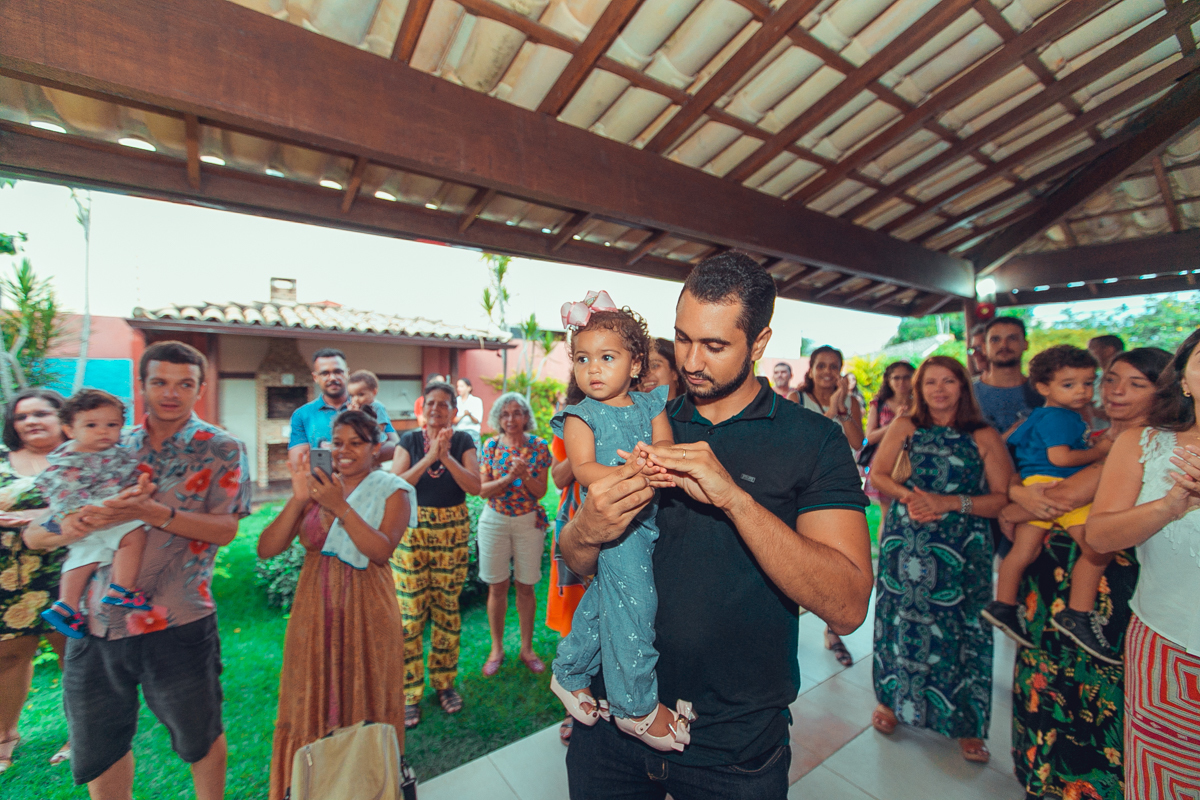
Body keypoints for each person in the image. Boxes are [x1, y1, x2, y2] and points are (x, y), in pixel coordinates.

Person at [559, 253, 873, 798]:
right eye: (682, 339)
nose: (691, 361)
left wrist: (735, 500)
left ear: (758, 343)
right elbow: (578, 562)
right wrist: (586, 528)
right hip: (611, 730)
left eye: (715, 345)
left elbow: (847, 607)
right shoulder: (641, 420)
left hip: (734, 748)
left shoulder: (813, 441)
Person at [22, 340, 250, 798]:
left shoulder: (221, 448)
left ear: (199, 388)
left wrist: (153, 513)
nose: (171, 393)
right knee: (99, 744)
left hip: (177, 618)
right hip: (93, 624)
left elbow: (226, 530)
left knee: (199, 737)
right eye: (159, 382)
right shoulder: (103, 438)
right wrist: (70, 526)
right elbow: (35, 534)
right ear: (142, 386)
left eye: (184, 384)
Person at [1002, 347, 1170, 800]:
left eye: (1137, 384)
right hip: (1049, 580)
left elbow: (1051, 499)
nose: (1116, 390)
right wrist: (1019, 493)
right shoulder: (1086, 430)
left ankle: (1079, 783)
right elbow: (1019, 491)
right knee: (1046, 675)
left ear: (1165, 391)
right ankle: (1044, 778)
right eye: (1111, 379)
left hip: (1106, 592)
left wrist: (1021, 499)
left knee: (1092, 689)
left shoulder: (1147, 444)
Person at [259, 408, 415, 800]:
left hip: (367, 606)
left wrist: (339, 506)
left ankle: (368, 783)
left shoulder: (392, 489)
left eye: (356, 443)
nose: (344, 452)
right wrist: (299, 501)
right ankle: (311, 784)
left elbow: (380, 551)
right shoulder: (315, 487)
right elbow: (267, 548)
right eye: (337, 443)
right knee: (311, 692)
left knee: (365, 692)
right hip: (314, 605)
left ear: (376, 447)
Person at [549, 293, 681, 750]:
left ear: (636, 362)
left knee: (607, 601)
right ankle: (634, 707)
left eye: (607, 357)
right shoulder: (581, 416)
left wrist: (658, 463)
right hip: (614, 524)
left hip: (647, 522)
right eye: (583, 359)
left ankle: (568, 671)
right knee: (637, 609)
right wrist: (632, 473)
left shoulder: (652, 406)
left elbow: (664, 450)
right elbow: (583, 470)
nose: (594, 369)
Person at [867, 356, 1012, 764]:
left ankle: (967, 724)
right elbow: (878, 475)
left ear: (963, 387)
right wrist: (912, 498)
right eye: (930, 382)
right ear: (919, 389)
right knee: (899, 622)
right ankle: (891, 703)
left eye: (949, 381)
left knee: (962, 633)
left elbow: (1002, 497)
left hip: (962, 550)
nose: (939, 389)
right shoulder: (905, 426)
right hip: (906, 542)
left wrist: (949, 502)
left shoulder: (982, 434)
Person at [1086, 328, 1200, 799]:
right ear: (1186, 381)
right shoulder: (1143, 444)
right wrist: (1171, 505)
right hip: (1168, 645)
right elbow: (1098, 536)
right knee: (1165, 783)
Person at [983, 346, 1118, 662]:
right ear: (1043, 388)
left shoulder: (1042, 415)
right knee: (1095, 547)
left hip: (1034, 483)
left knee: (1023, 551)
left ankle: (1003, 604)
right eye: (1069, 384)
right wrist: (1099, 452)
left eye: (1088, 382)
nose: (1082, 391)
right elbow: (1062, 457)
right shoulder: (1060, 417)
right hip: (1055, 486)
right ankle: (1077, 612)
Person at [389, 381, 480, 729]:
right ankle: (409, 691)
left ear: (454, 411)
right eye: (431, 403)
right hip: (411, 533)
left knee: (446, 609)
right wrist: (430, 457)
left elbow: (475, 486)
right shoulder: (409, 441)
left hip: (452, 530)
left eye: (444, 405)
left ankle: (444, 683)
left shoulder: (464, 441)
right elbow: (395, 484)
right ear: (421, 407)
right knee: (410, 615)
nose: (436, 409)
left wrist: (447, 458)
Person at [38, 390, 151, 639]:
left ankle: (65, 604)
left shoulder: (114, 452)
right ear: (69, 429)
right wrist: (68, 515)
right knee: (134, 535)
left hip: (93, 515)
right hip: (90, 512)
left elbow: (126, 477)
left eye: (112, 425)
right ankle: (123, 588)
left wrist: (137, 488)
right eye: (91, 425)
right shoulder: (68, 459)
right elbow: (57, 488)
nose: (103, 431)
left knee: (84, 555)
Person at [0, 388, 69, 774]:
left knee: (71, 654)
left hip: (69, 572)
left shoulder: (81, 459)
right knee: (9, 656)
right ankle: (5, 735)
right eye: (22, 416)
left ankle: (81, 733)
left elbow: (96, 505)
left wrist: (33, 517)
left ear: (63, 417)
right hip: (10, 577)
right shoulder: (1, 459)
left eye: (41, 413)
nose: (31, 421)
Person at [787, 344, 864, 667]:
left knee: (835, 560)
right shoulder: (796, 400)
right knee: (796, 557)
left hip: (835, 486)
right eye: (822, 366)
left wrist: (841, 409)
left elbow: (858, 442)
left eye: (834, 366)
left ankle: (834, 631)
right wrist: (830, 410)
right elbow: (795, 441)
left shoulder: (852, 402)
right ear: (812, 369)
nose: (828, 372)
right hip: (800, 483)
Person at [477, 392, 552, 677]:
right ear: (498, 417)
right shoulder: (491, 446)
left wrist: (525, 475)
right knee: (497, 586)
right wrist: (509, 478)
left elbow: (540, 491)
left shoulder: (539, 446)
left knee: (526, 585)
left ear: (526, 417)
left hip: (527, 522)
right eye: (505, 414)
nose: (511, 419)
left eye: (517, 412)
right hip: (494, 520)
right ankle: (496, 649)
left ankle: (527, 649)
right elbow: (482, 490)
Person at [546, 380, 588, 746]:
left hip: (619, 525)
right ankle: (573, 706)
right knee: (575, 619)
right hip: (574, 522)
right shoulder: (567, 421)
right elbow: (558, 476)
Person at [863, 361, 915, 525]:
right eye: (896, 378)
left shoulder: (922, 403)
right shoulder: (879, 404)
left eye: (906, 377)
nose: (901, 382)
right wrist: (896, 423)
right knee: (888, 516)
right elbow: (869, 437)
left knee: (913, 511)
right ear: (889, 380)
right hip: (885, 462)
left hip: (914, 461)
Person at [973, 317, 1042, 436]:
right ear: (984, 348)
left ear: (1025, 344)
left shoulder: (1043, 390)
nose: (1004, 345)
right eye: (995, 340)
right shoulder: (968, 394)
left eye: (1012, 338)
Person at [347, 369, 400, 449]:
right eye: (352, 396)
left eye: (360, 395)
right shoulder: (355, 407)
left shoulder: (377, 407)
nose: (355, 399)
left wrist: (359, 415)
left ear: (374, 392)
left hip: (377, 442)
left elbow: (379, 428)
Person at [453, 377, 484, 448]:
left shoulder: (476, 401)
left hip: (472, 432)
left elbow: (477, 420)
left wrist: (469, 415)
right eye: (458, 386)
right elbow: (453, 420)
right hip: (458, 431)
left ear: (469, 388)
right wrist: (464, 415)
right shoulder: (455, 401)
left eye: (461, 386)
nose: (459, 389)